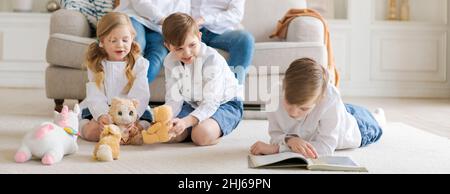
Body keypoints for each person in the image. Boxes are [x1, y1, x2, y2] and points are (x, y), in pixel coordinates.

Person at [250, 58, 385, 158]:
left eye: (303, 109)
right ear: (283, 87)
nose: (293, 112)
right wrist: (290, 140)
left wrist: (278, 150)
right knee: (343, 109)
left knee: (375, 121)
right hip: (336, 113)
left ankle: (379, 116)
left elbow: (325, 149)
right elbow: (275, 134)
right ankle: (343, 110)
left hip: (357, 128)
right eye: (288, 102)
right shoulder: (274, 94)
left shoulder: (330, 99)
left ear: (319, 100)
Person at [162, 13, 244, 146]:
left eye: (192, 45)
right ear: (168, 46)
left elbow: (211, 102)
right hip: (194, 104)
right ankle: (191, 128)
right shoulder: (169, 61)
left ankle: (208, 130)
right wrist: (167, 119)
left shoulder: (212, 59)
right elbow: (174, 98)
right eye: (179, 49)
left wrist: (185, 122)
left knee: (200, 136)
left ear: (199, 37)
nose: (187, 53)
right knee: (170, 133)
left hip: (225, 104)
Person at [79, 12, 151, 142]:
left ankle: (124, 134)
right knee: (90, 133)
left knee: (142, 130)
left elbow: (140, 94)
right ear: (102, 42)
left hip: (131, 113)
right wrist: (103, 116)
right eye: (113, 40)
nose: (120, 45)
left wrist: (130, 118)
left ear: (132, 39)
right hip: (104, 110)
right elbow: (95, 95)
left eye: (125, 40)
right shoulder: (97, 64)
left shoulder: (140, 64)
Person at [115, 0, 190, 83]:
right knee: (136, 45)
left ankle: (135, 91)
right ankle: (118, 87)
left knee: (158, 55)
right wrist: (165, 21)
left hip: (158, 29)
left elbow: (182, 15)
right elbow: (140, 3)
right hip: (134, 16)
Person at [191, 0, 254, 84]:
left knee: (245, 39)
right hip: (192, 30)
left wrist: (204, 19)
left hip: (221, 31)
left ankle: (231, 90)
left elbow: (236, 14)